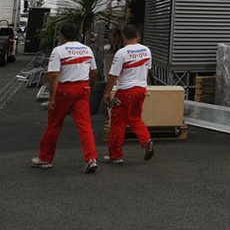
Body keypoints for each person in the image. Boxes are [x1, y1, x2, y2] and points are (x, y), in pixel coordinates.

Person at [31, 23, 99, 173]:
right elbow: (94, 72)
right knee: (84, 125)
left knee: (54, 124)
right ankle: (91, 158)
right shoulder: (87, 49)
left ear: (62, 36)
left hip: (65, 89)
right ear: (77, 35)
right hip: (83, 87)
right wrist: (90, 86)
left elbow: (54, 75)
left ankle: (45, 158)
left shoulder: (58, 51)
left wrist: (52, 98)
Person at [102, 24, 154, 164]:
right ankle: (146, 140)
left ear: (123, 37)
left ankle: (115, 155)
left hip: (125, 91)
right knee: (136, 119)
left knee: (118, 124)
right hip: (141, 89)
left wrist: (107, 94)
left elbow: (113, 75)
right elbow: (147, 70)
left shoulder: (122, 53)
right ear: (137, 36)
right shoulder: (146, 51)